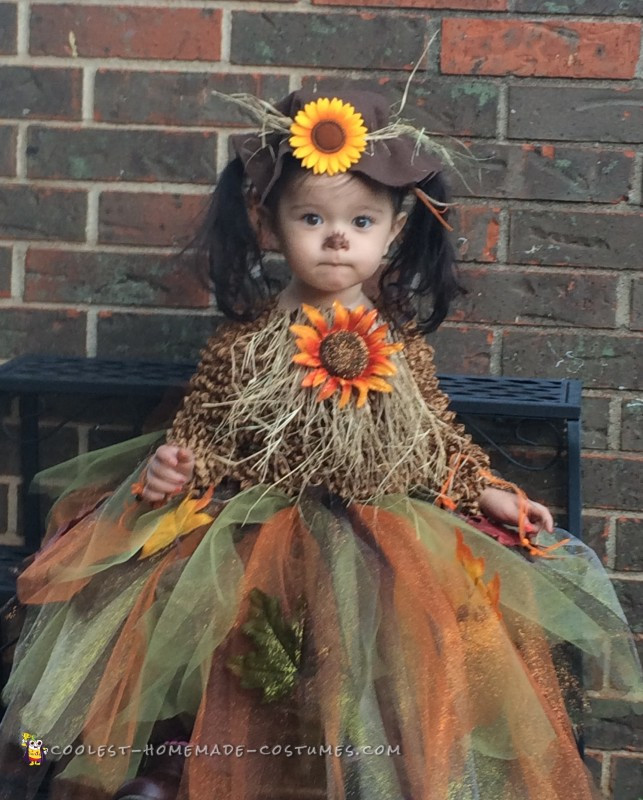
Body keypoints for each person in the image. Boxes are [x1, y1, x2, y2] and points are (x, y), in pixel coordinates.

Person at [0, 89, 640, 800]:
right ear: (268, 224)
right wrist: (172, 468)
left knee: (383, 678)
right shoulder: (245, 345)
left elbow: (430, 434)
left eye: (359, 221)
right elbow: (204, 432)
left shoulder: (398, 344)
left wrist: (480, 485)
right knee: (248, 679)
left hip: (386, 538)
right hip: (255, 537)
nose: (337, 237)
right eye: (312, 218)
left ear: (392, 231)